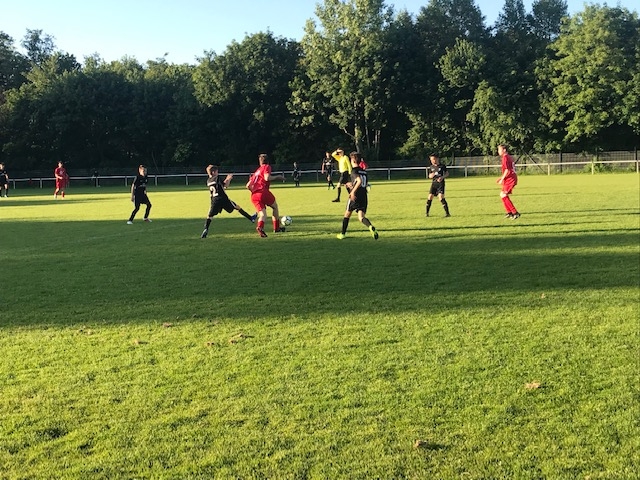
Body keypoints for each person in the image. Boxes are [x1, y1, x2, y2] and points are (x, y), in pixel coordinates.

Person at [201, 164, 257, 238]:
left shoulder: (208, 181)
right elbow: (225, 186)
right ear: (213, 172)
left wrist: (226, 180)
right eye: (217, 171)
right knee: (237, 207)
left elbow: (220, 187)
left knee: (210, 216)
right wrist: (229, 179)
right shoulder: (217, 178)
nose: (218, 173)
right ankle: (251, 218)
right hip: (223, 198)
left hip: (214, 200)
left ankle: (206, 229)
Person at [337, 152, 379, 240]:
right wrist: (350, 184)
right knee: (361, 217)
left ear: (353, 160)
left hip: (355, 196)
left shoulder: (354, 171)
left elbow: (359, 181)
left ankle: (342, 234)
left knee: (347, 214)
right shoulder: (364, 171)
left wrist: (352, 192)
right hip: (363, 195)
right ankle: (370, 227)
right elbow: (364, 184)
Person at [246, 153, 286, 237]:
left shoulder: (256, 171)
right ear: (268, 161)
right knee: (275, 207)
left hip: (254, 195)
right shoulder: (266, 167)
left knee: (263, 214)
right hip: (263, 192)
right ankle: (276, 228)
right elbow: (267, 178)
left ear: (260, 162)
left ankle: (260, 227)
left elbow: (248, 185)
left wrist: (254, 191)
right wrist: (278, 177)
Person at [497, 144, 520, 219]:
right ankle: (509, 212)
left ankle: (515, 213)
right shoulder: (508, 157)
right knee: (502, 194)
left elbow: (507, 170)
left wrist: (502, 179)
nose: (498, 151)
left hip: (510, 179)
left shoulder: (505, 157)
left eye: (499, 150)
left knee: (503, 194)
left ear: (504, 150)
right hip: (509, 178)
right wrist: (502, 178)